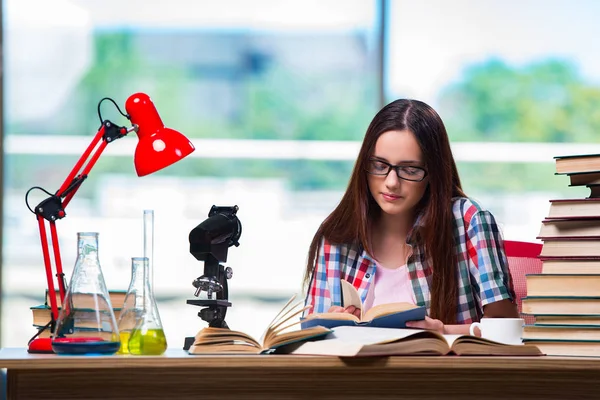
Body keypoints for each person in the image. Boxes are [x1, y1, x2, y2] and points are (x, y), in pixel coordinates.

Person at [302, 99, 517, 335]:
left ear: (433, 174)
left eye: (410, 170)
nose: (391, 182)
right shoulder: (337, 235)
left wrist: (444, 331)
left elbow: (508, 331)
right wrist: (328, 328)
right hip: (360, 371)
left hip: (443, 370)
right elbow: (309, 341)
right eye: (379, 165)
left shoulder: (469, 223)